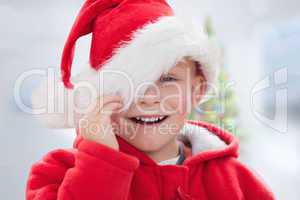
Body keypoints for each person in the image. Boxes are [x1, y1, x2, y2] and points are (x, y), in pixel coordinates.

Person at [26, 0, 275, 199]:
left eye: (167, 79)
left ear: (196, 91)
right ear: (96, 96)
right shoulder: (57, 173)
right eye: (129, 83)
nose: (148, 98)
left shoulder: (237, 181)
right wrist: (101, 160)